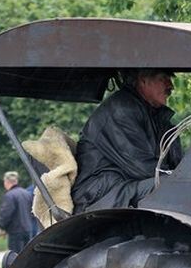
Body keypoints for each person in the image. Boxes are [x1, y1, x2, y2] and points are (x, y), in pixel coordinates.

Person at [70, 69, 182, 213]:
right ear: (143, 80)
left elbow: (173, 162)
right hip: (100, 195)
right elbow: (144, 169)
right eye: (164, 78)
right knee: (174, 185)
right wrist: (181, 177)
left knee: (180, 183)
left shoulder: (153, 114)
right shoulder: (122, 109)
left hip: (121, 187)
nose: (171, 86)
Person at [0, 171, 33, 252]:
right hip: (28, 229)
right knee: (26, 255)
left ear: (6, 182)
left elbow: (6, 213)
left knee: (15, 256)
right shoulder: (26, 193)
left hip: (16, 231)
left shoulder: (10, 195)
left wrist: (1, 227)